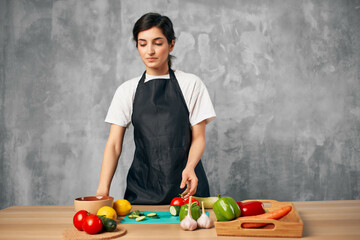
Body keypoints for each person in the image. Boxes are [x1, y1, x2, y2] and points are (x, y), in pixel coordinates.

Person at [96, 12, 216, 204]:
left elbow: (199, 137)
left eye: (157, 43)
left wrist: (190, 167)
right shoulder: (127, 90)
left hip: (187, 191)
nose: (149, 51)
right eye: (142, 44)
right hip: (142, 192)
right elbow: (113, 145)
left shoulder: (191, 84)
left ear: (171, 44)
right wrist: (103, 190)